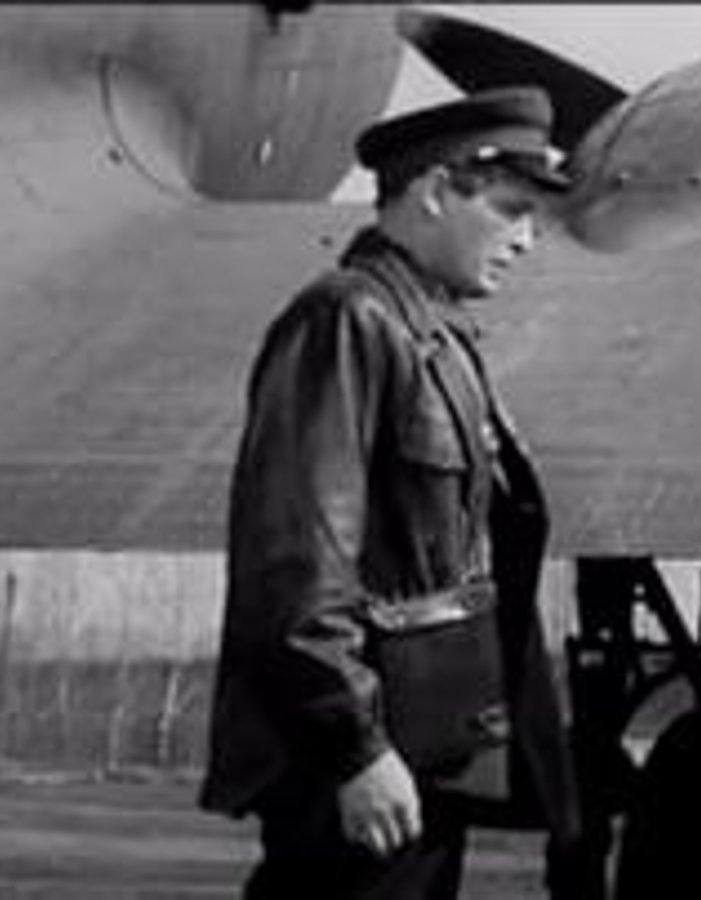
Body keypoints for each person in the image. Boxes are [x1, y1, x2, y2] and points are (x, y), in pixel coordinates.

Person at [199, 86, 599, 899]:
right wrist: (356, 747)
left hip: (426, 752)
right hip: (363, 767)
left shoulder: (433, 334)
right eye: (510, 209)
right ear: (436, 190)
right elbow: (295, 562)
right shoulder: (347, 321)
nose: (527, 239)